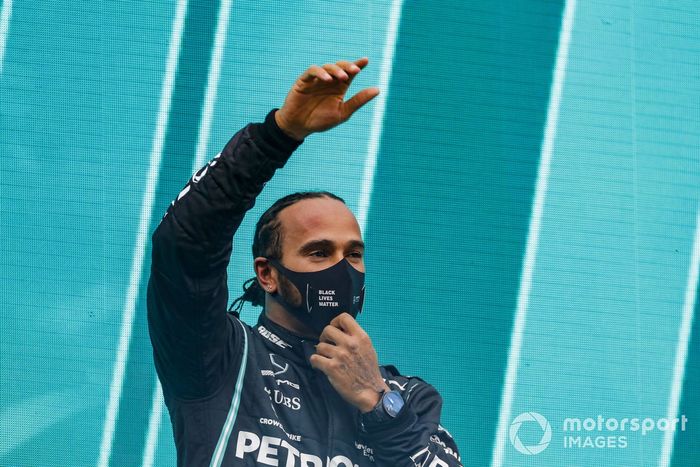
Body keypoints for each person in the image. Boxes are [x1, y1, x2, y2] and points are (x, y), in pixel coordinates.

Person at [147, 57, 462, 467]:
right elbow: (185, 242)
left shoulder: (410, 399)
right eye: (318, 252)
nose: (340, 267)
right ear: (267, 274)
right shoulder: (217, 355)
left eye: (353, 254)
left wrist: (378, 403)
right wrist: (277, 137)